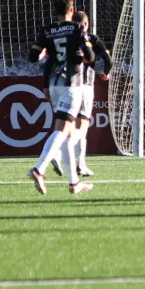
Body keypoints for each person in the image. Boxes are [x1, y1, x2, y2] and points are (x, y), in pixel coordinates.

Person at [27, 0, 95, 195]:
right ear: (72, 10)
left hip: (54, 84)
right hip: (72, 83)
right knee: (63, 130)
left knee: (69, 134)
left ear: (56, 10)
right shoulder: (76, 28)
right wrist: (82, 53)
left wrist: (44, 52)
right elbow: (90, 56)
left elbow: (33, 56)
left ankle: (74, 183)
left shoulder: (46, 30)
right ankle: (39, 168)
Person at [48, 11, 112, 178]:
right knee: (82, 127)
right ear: (86, 24)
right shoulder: (91, 39)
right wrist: (106, 72)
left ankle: (78, 163)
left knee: (70, 125)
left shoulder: (67, 38)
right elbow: (108, 60)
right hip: (84, 86)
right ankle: (61, 155)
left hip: (67, 84)